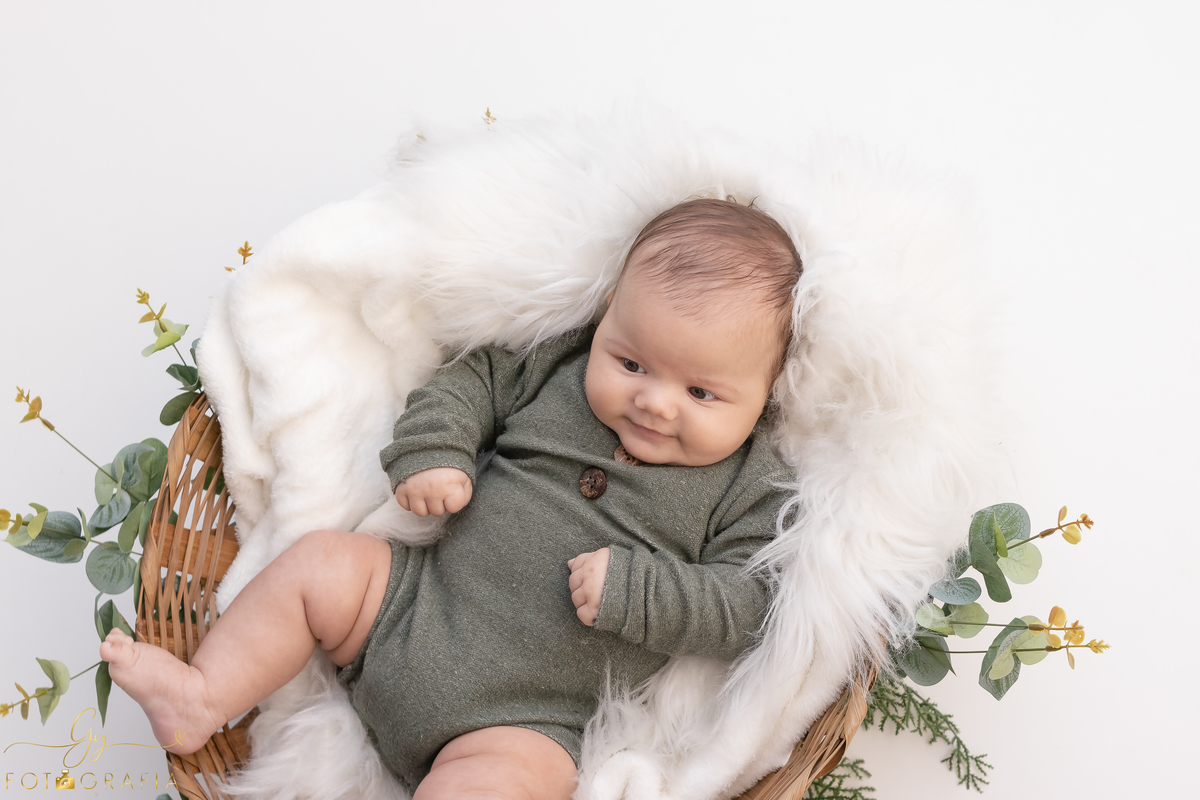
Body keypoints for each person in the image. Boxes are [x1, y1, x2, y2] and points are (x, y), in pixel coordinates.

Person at [100, 197, 802, 800]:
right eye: (631, 362)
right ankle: (202, 697)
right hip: (406, 608)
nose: (653, 401)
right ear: (608, 315)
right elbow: (467, 383)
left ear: (767, 392)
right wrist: (435, 454)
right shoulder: (553, 364)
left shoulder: (751, 485)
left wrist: (640, 591)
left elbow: (748, 605)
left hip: (520, 724)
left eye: (701, 393)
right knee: (321, 564)